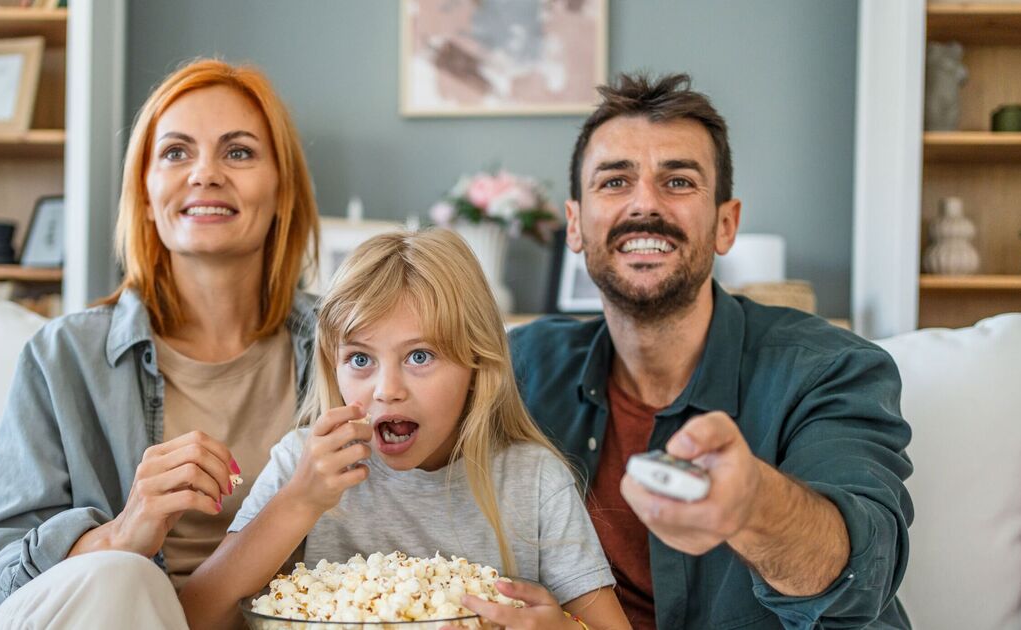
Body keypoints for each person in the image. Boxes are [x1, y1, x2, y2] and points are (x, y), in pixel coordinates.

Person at [509, 73, 914, 629]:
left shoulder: (830, 368)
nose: (644, 204)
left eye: (678, 181)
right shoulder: (522, 368)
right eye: (614, 182)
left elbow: (856, 575)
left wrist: (751, 505)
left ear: (726, 224)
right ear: (575, 224)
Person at [0, 59, 320, 629]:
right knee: (124, 573)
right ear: (145, 193)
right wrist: (122, 534)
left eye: (238, 151)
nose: (205, 173)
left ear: (282, 189)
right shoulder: (62, 357)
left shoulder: (343, 352)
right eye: (176, 152)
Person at [179, 229, 631, 630]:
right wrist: (299, 501)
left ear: (477, 365)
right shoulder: (303, 464)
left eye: (420, 356)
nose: (386, 390)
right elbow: (195, 617)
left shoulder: (534, 482)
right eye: (360, 359)